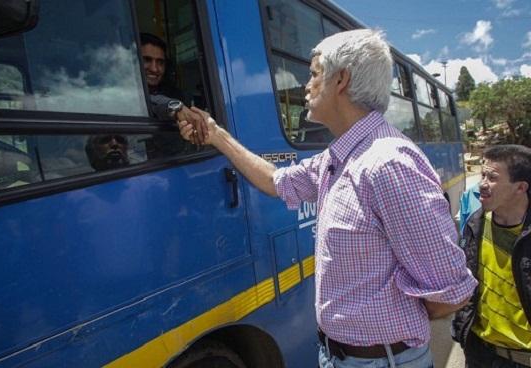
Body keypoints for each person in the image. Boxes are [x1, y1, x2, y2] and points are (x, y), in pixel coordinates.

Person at [179, 29, 477, 367]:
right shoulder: (339, 157)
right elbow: (276, 180)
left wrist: (392, 326)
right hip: (340, 356)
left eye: (314, 73)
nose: (305, 86)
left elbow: (451, 290)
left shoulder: (386, 164)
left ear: (341, 80)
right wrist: (216, 134)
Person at [452, 144, 531, 368]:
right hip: (479, 353)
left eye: (492, 177)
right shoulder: (475, 225)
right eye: (482, 175)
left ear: (520, 187)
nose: (481, 185)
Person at [139, 32, 207, 144]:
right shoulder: (122, 93)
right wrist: (175, 107)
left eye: (160, 62)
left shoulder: (178, 96)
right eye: (147, 60)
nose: (154, 69)